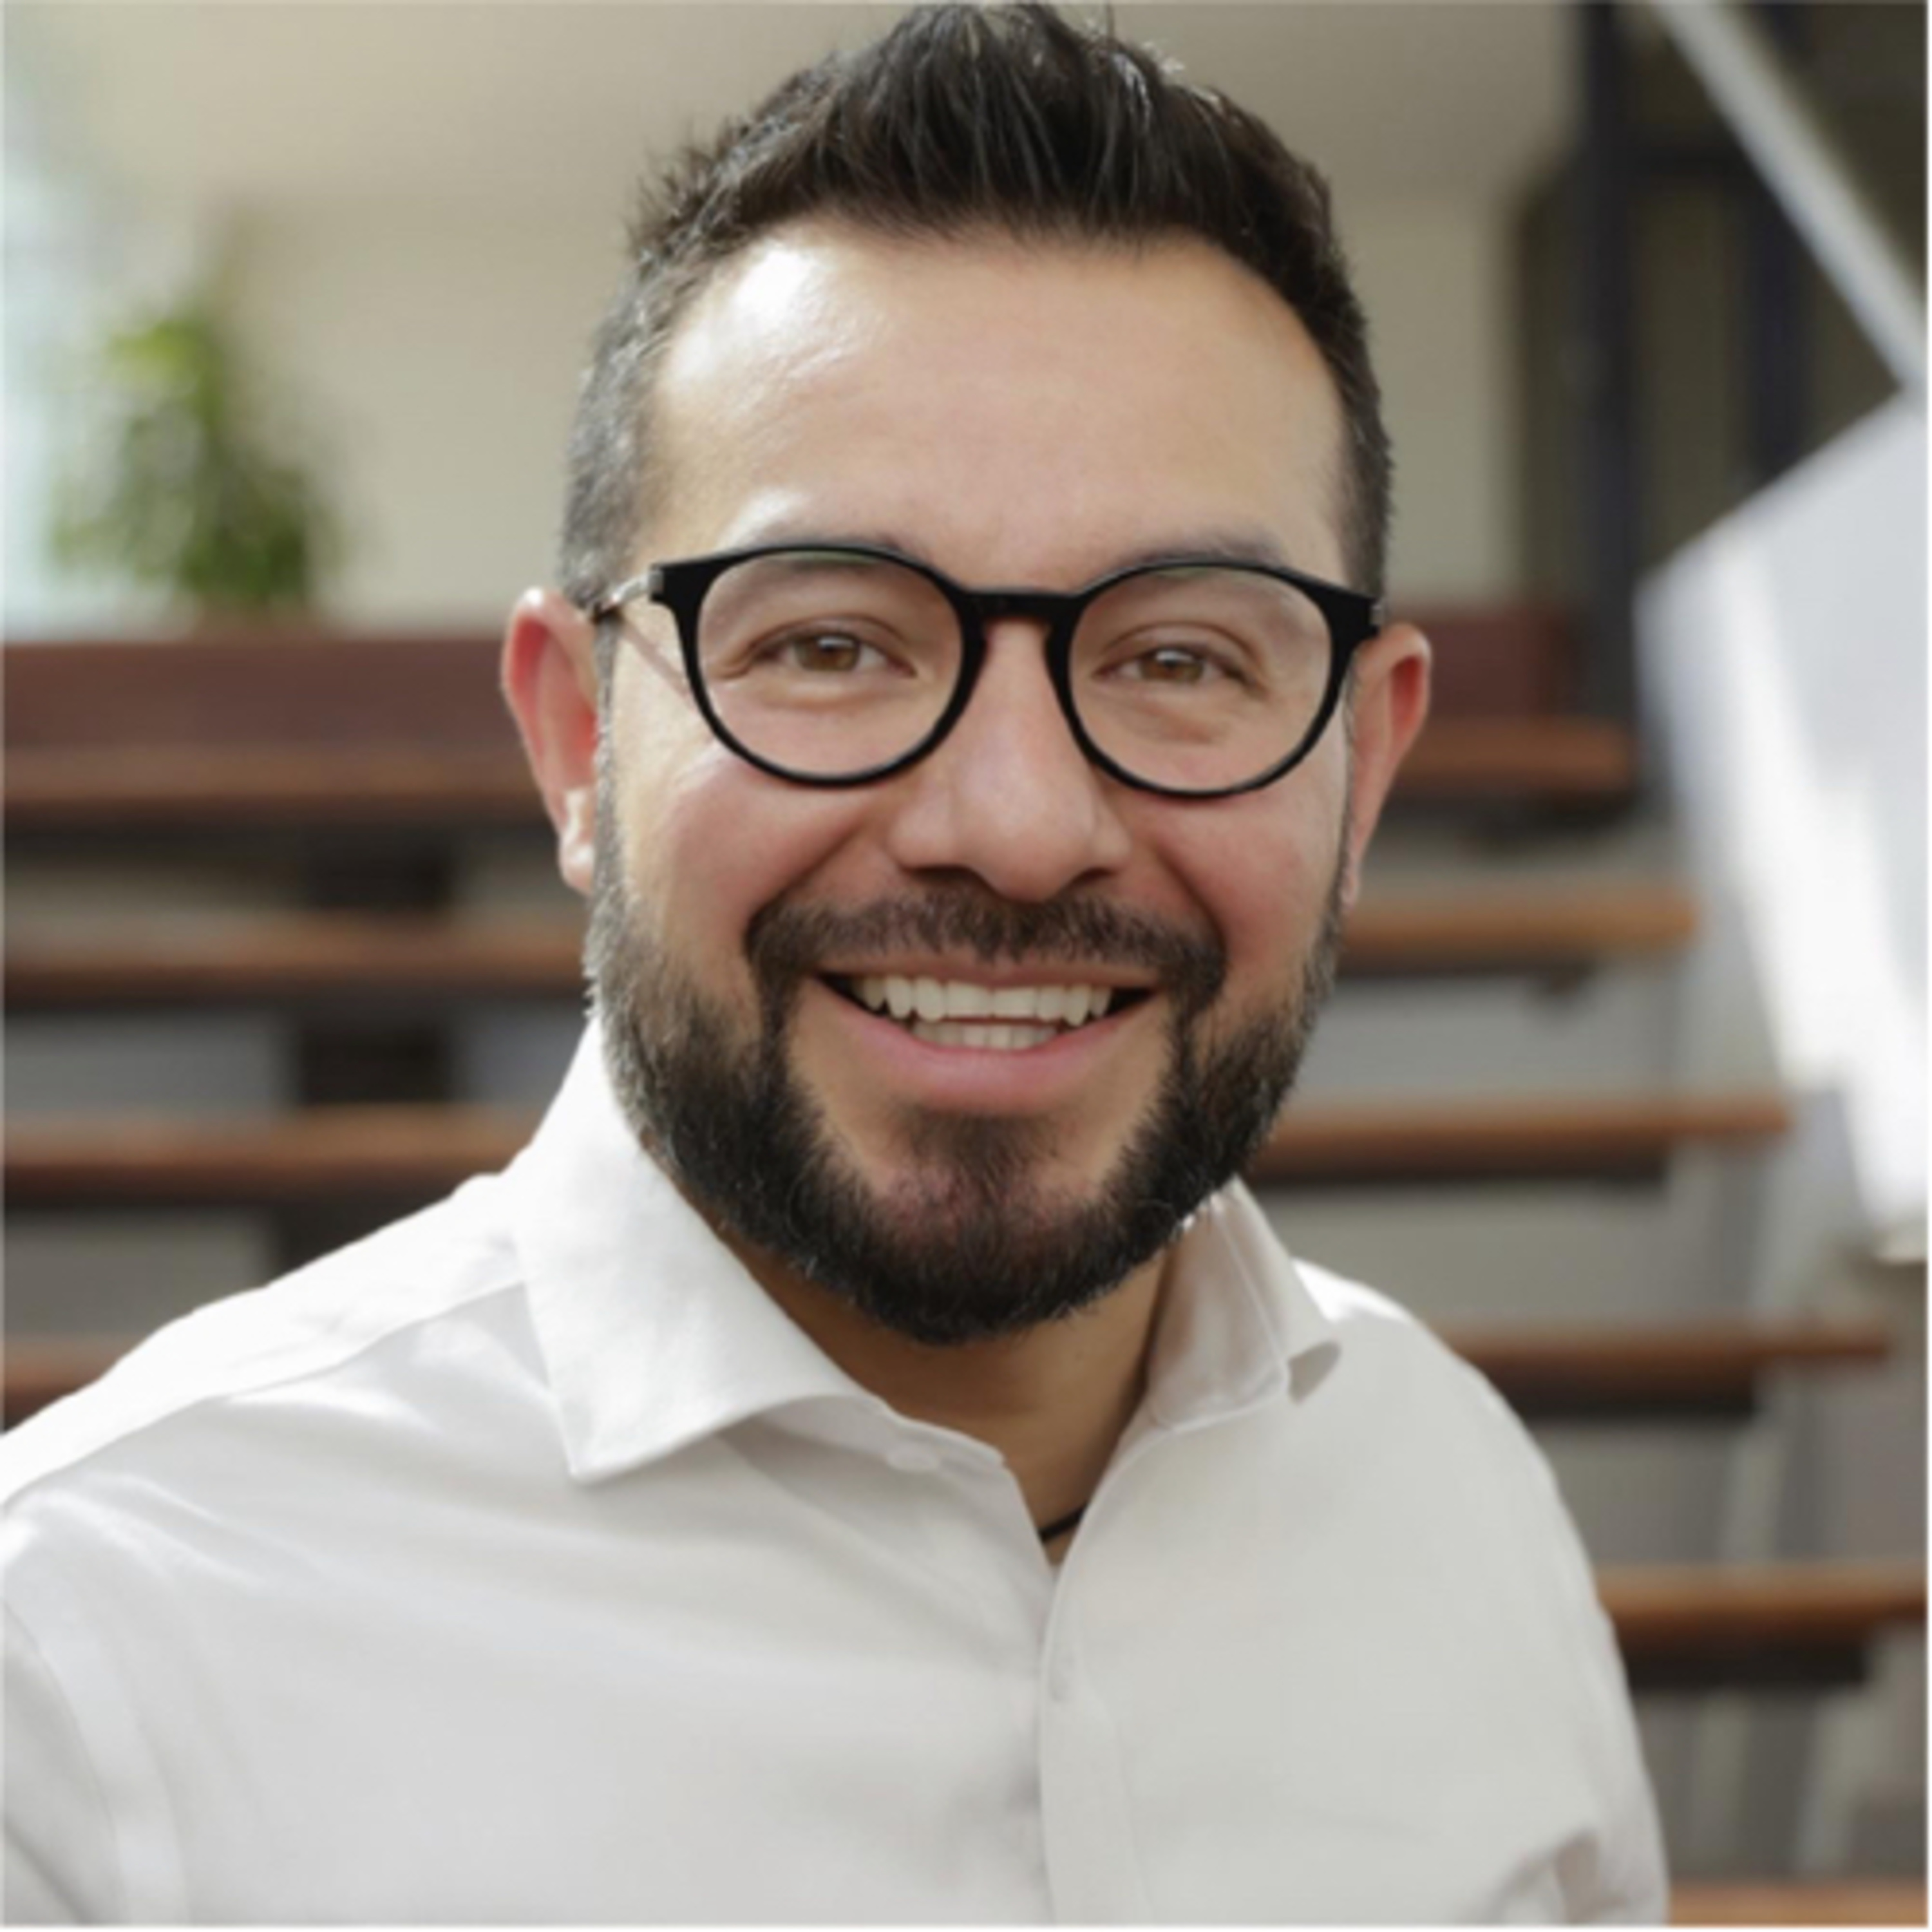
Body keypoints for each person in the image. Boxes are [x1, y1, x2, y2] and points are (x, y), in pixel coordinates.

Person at [4, 6, 1667, 1921]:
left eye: (1181, 658)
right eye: (829, 645)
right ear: (577, 740)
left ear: (1363, 766)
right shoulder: (90, 1654)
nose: (1018, 824)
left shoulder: (1453, 1491)